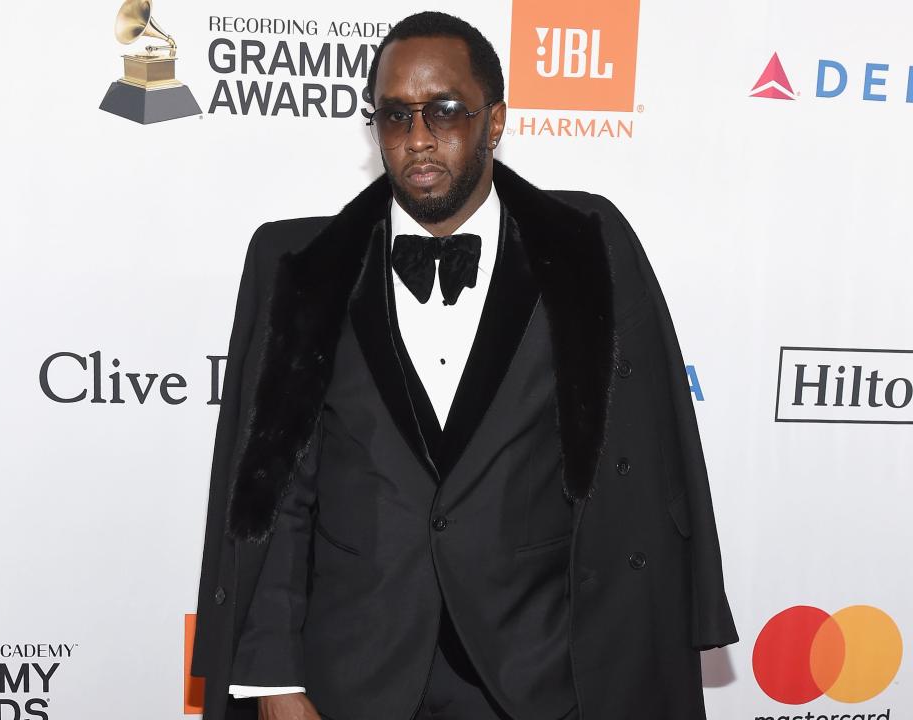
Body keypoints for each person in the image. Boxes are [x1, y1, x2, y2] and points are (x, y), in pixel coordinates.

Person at [191, 11, 738, 720]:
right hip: (353, 677)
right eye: (394, 116)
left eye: (445, 110)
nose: (417, 137)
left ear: (496, 119)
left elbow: (643, 470)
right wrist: (274, 680)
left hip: (540, 675)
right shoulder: (302, 270)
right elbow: (272, 494)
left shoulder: (586, 251)